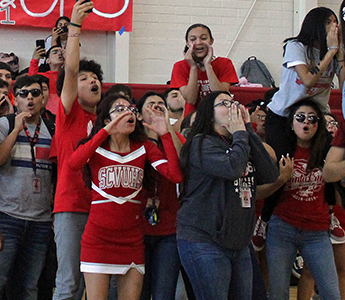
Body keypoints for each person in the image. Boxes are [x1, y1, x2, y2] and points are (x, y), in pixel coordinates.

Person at [67, 94, 183, 300]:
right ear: (106, 119)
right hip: (98, 241)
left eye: (130, 108)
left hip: (131, 241)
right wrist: (105, 131)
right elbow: (74, 163)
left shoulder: (145, 148)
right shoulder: (96, 148)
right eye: (119, 109)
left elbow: (175, 175)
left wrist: (165, 134)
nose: (127, 112)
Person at [253, 6, 345, 250]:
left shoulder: (335, 52)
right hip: (282, 116)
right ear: (317, 24)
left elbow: (343, 85)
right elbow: (308, 80)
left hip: (315, 116)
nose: (334, 27)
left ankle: (330, 213)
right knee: (282, 167)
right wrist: (331, 52)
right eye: (330, 22)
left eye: (337, 22)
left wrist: (340, 55)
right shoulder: (296, 46)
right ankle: (264, 220)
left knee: (327, 164)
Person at [177, 91, 278, 300]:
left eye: (233, 102)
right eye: (224, 103)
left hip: (238, 243)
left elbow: (270, 174)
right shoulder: (201, 143)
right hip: (204, 241)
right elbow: (233, 167)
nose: (232, 106)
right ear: (210, 114)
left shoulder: (241, 140)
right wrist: (241, 134)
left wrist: (248, 130)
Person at [262, 99, 341, 300]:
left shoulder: (327, 152)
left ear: (319, 125)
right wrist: (282, 178)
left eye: (313, 119)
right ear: (291, 122)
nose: (306, 123)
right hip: (282, 228)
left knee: (331, 293)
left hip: (317, 231)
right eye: (300, 117)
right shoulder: (281, 149)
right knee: (278, 293)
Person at [52, 1, 103, 299]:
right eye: (85, 78)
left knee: (92, 287)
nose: (91, 80)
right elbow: (70, 70)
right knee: (69, 284)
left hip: (100, 209)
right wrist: (75, 27)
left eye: (95, 77)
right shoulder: (69, 112)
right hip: (71, 207)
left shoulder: (105, 122)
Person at [0, 75, 55, 299]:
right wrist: (16, 130)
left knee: (29, 287)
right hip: (7, 217)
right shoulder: (4, 124)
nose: (29, 98)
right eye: (23, 94)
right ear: (16, 100)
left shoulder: (52, 129)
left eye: (35, 93)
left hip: (40, 221)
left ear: (43, 99)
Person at [135, 92, 184, 300]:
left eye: (160, 104)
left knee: (165, 294)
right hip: (137, 231)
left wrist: (167, 131)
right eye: (150, 104)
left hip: (169, 231)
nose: (156, 106)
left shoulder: (173, 137)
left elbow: (183, 162)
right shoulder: (133, 142)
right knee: (141, 293)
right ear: (138, 115)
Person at [170, 24, 238, 116]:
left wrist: (208, 65)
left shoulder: (225, 63)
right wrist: (193, 67)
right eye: (193, 39)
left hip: (219, 116)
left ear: (211, 41)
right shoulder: (179, 66)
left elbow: (222, 96)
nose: (198, 42)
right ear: (187, 43)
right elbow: (191, 99)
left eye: (204, 38)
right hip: (193, 117)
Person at [29, 45, 64, 114]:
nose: (59, 54)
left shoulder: (70, 75)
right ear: (48, 60)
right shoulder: (43, 76)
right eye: (55, 52)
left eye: (62, 52)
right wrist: (35, 60)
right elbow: (31, 81)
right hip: (48, 112)